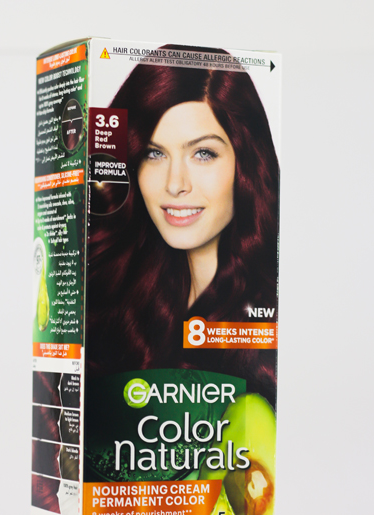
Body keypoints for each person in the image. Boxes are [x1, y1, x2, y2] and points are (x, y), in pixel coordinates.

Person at [87, 46, 280, 408]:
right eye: (154, 153)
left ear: (247, 164)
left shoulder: (270, 311)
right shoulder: (120, 299)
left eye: (203, 153)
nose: (175, 184)